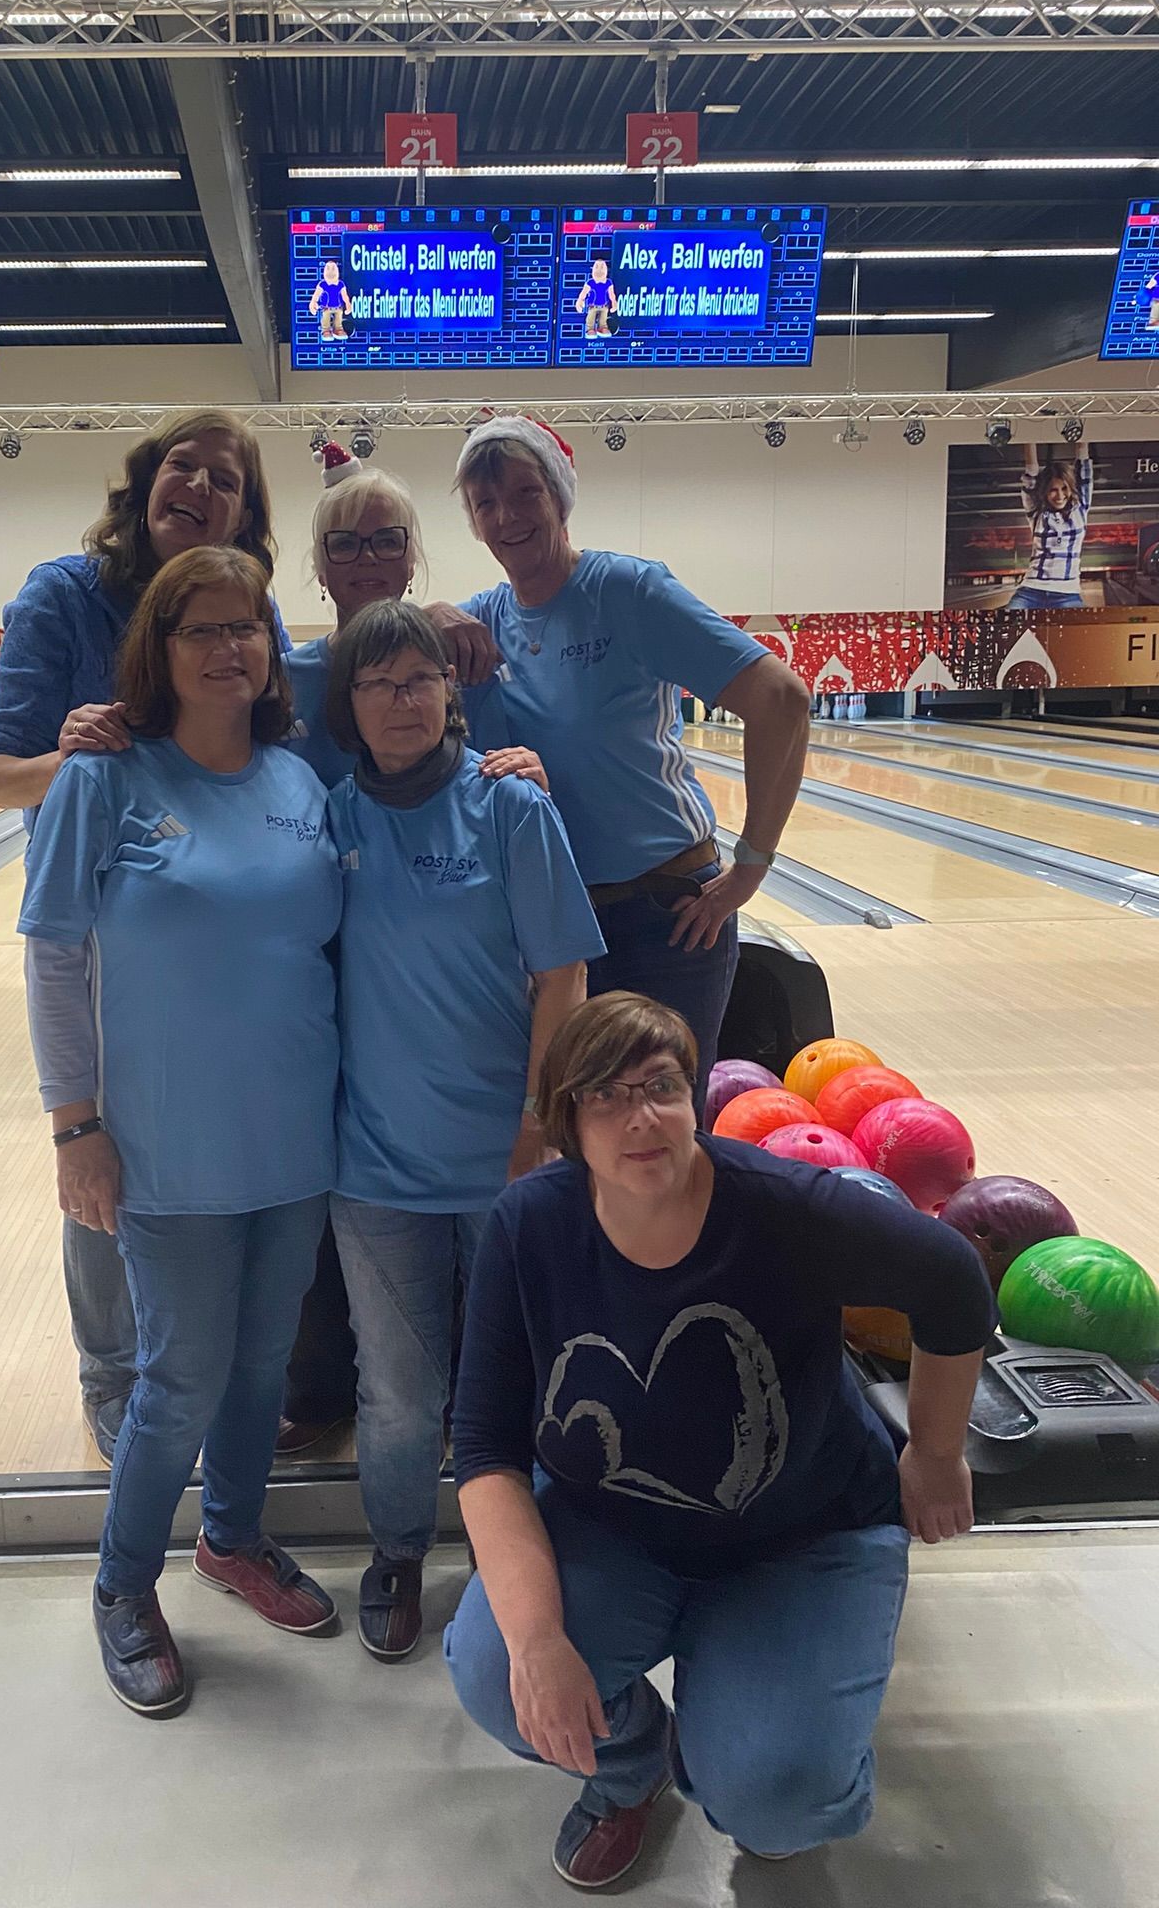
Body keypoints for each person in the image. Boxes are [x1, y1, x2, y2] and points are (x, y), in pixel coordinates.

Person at [445, 991, 995, 1890]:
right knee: (500, 1669)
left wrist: (934, 1451)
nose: (642, 1117)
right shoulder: (531, 1226)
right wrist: (542, 1639)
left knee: (776, 1799)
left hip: (806, 1535)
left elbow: (952, 1279)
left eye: (660, 1085)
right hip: (611, 1530)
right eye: (606, 1096)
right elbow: (485, 1450)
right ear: (563, 1124)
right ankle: (633, 1768)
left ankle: (744, 1728)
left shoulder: (786, 1208)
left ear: (695, 1099)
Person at [18, 545, 341, 1719]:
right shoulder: (101, 778)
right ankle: (121, 1581)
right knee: (180, 1376)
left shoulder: (301, 781)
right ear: (157, 650)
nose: (227, 647)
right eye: (199, 628)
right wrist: (75, 1125)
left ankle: (236, 1537)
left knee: (262, 1365)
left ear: (270, 645)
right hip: (164, 1140)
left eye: (245, 626)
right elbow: (54, 962)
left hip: (297, 1135)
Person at [0, 409, 291, 1467]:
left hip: (219, 911)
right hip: (108, 916)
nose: (197, 485)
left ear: (245, 515)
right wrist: (85, 762)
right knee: (100, 1151)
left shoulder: (254, 613)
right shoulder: (63, 595)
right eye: (180, 466)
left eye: (225, 478)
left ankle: (213, 1369)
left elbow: (284, 730)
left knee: (199, 1153)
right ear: (145, 483)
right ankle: (111, 1371)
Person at [322, 599, 603, 1662]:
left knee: (517, 1378)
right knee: (397, 1392)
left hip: (509, 1159)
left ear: (452, 689)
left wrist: (540, 1127)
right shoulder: (329, 820)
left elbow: (564, 976)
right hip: (374, 1164)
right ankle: (398, 1547)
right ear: (348, 706)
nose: (398, 700)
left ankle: (510, 1556)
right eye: (375, 683)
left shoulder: (510, 809)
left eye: (418, 678)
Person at [276, 442, 544, 1461]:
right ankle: (333, 1388)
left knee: (434, 1214)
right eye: (347, 542)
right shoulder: (294, 678)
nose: (369, 556)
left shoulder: (465, 659)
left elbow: (505, 762)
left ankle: (458, 1416)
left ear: (414, 553)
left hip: (428, 967)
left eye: (389, 538)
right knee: (332, 1193)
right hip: (317, 965)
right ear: (322, 561)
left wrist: (526, 766)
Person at [431, 415, 811, 1122]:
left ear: (560, 496)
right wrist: (431, 611)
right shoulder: (484, 620)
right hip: (554, 934)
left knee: (662, 1140)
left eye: (525, 493)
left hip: (667, 919)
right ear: (474, 522)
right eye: (487, 504)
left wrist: (751, 867)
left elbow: (782, 699)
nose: (507, 516)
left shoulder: (628, 591)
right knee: (574, 1139)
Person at [1009, 440, 1093, 610]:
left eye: (1064, 488)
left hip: (1067, 594)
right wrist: (1029, 427)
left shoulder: (1081, 508)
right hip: (1031, 590)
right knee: (1004, 629)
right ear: (1045, 491)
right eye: (1053, 490)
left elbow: (1083, 457)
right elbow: (1031, 471)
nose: (1060, 495)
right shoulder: (1036, 512)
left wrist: (1079, 422)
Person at [574, 258, 618, 340]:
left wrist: (614, 303)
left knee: (603, 320)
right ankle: (590, 329)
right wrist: (579, 302)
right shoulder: (590, 283)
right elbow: (583, 293)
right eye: (597, 267)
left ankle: (603, 328)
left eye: (602, 267)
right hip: (592, 306)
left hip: (604, 306)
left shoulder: (609, 283)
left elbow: (612, 295)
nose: (599, 270)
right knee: (590, 318)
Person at [309, 260, 350, 342]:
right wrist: (313, 303)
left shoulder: (341, 284)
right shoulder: (322, 284)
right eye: (328, 268)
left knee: (338, 319)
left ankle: (338, 329)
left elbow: (345, 296)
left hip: (338, 307)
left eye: (333, 268)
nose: (331, 271)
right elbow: (316, 295)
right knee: (326, 319)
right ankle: (326, 331)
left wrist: (348, 304)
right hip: (326, 308)